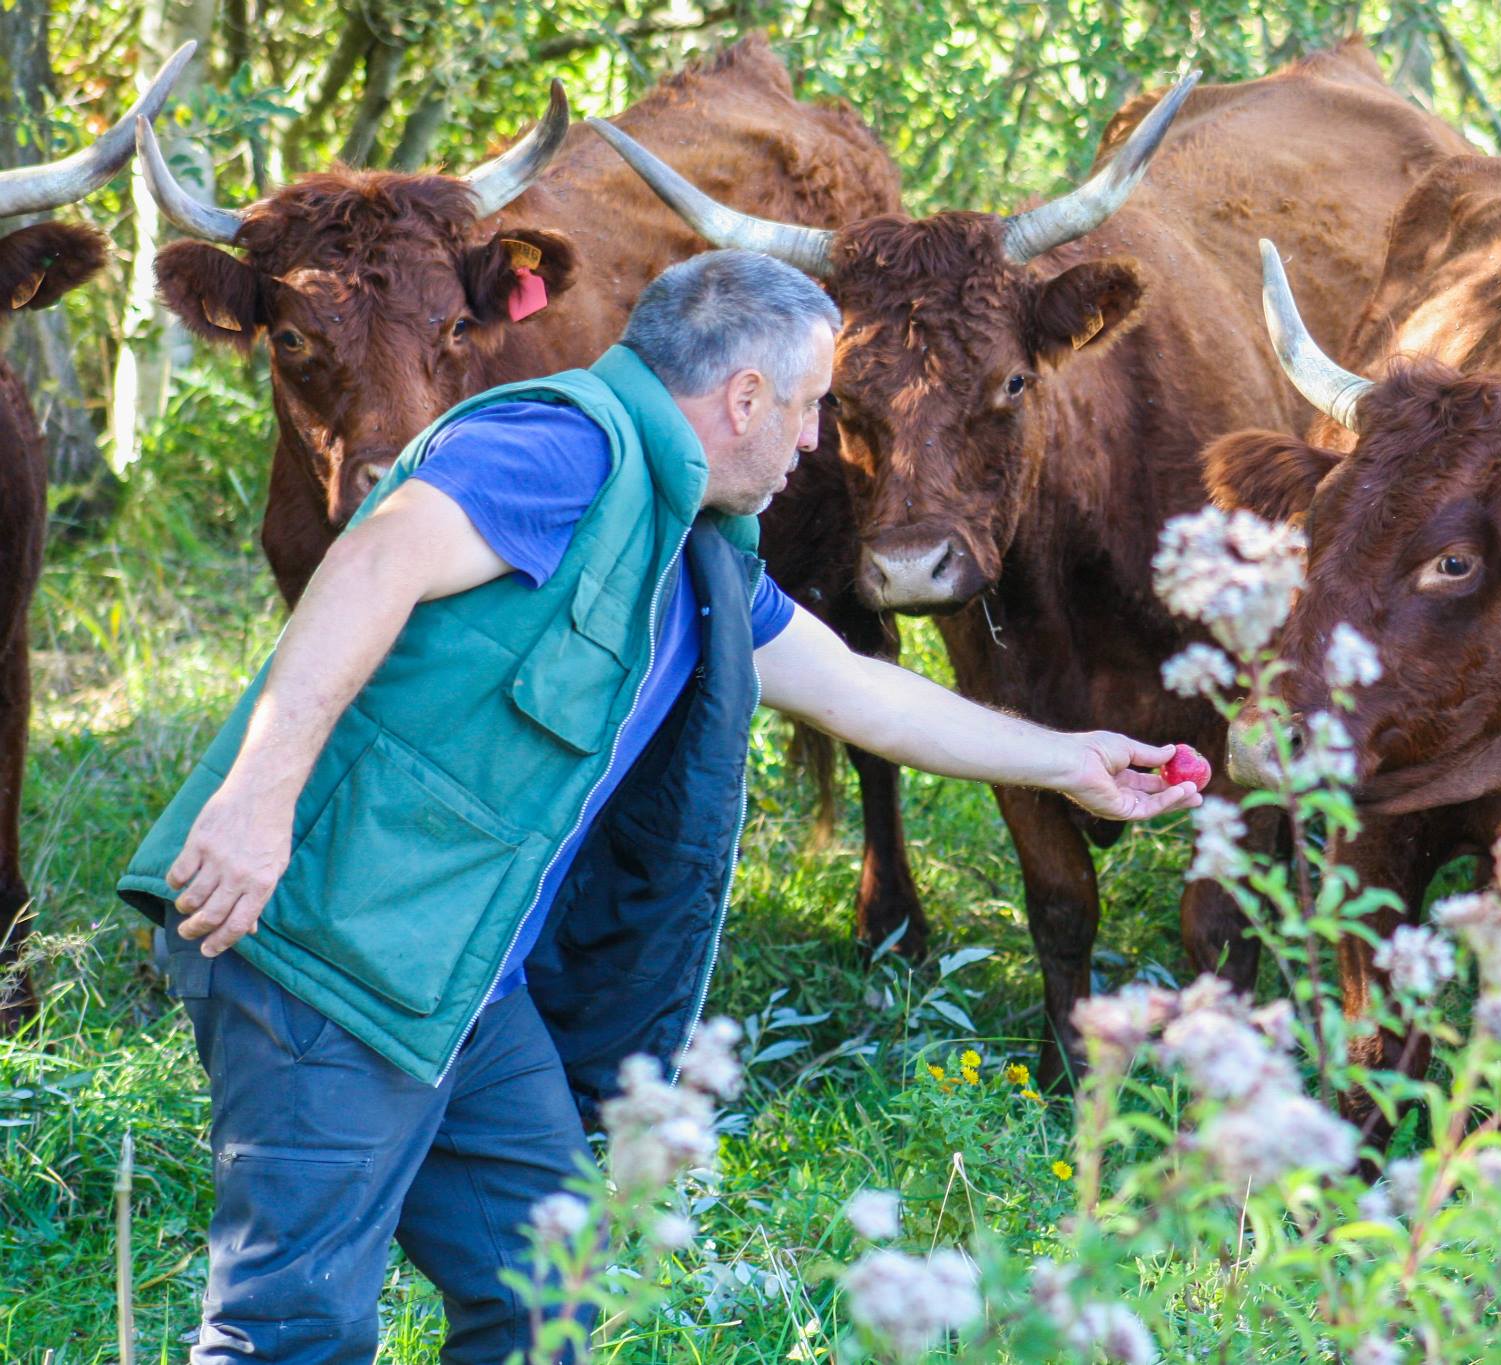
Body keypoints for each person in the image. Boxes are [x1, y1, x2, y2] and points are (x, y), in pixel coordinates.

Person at [116, 249, 1201, 1364]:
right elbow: (374, 561)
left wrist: (1067, 761)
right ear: (743, 400)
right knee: (292, 1331)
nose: (818, 441)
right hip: (327, 954)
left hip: (460, 985)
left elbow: (860, 691)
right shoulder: (559, 446)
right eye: (811, 406)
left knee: (550, 1293)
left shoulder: (696, 542)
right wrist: (256, 797)